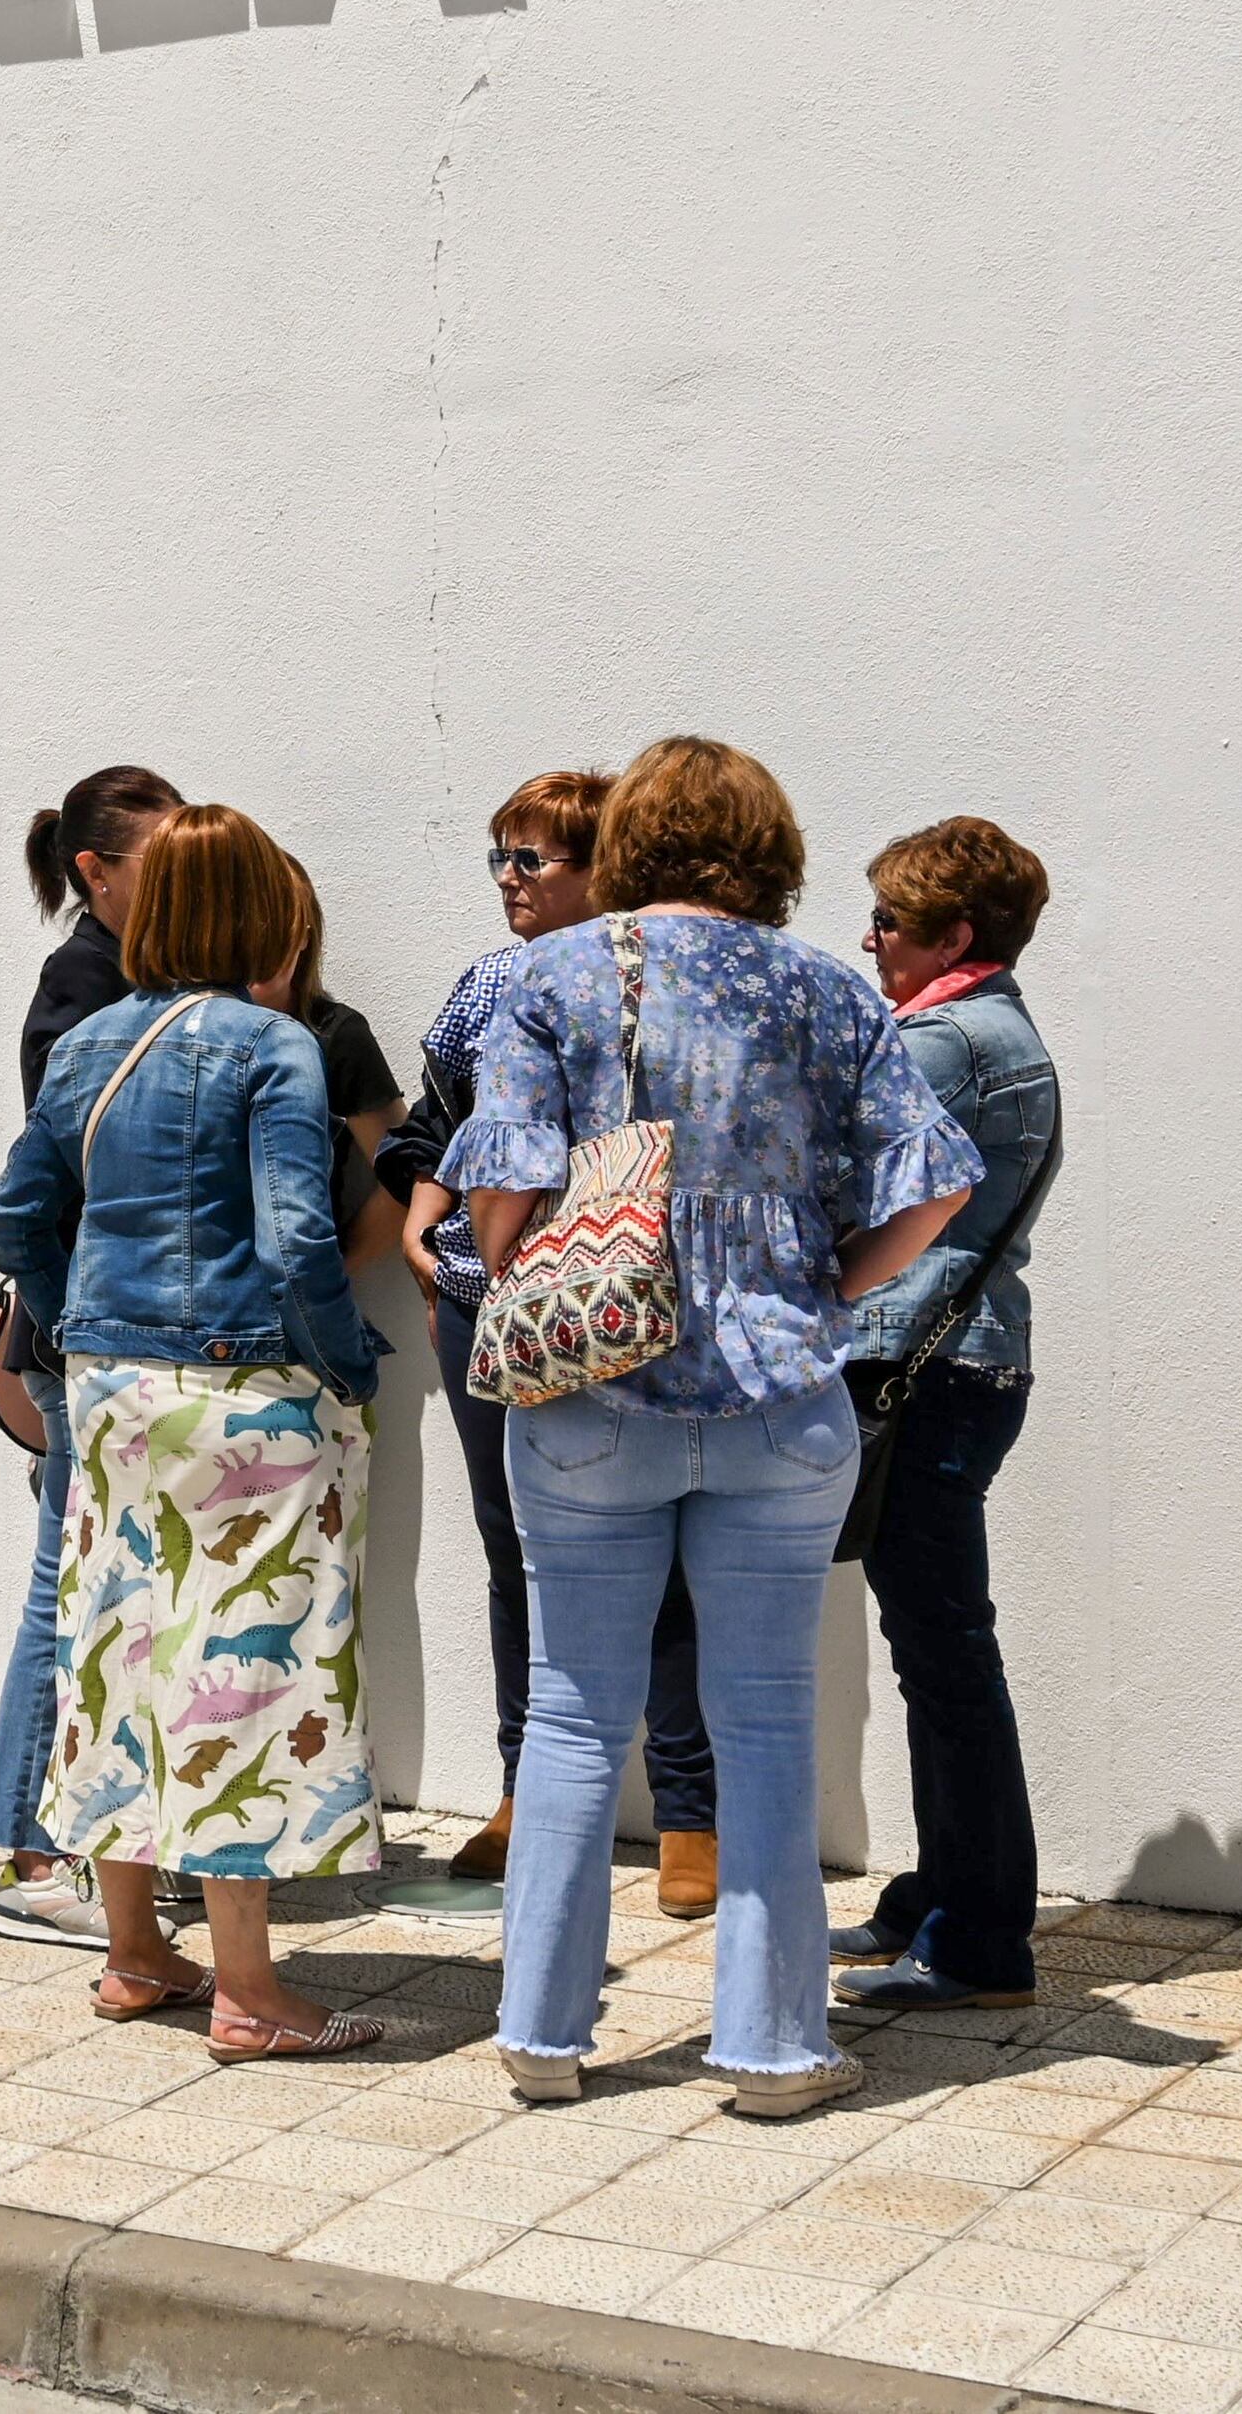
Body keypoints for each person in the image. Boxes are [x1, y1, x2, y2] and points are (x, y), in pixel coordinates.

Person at [449, 736, 979, 2120]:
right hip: (782, 1396)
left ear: (627, 840)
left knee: (571, 1714)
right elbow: (933, 1187)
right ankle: (771, 2047)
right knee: (764, 1718)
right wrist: (827, 1283)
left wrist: (537, 1271)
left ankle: (544, 2036)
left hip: (589, 1394)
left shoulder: (551, 975)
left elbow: (495, 1190)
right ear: (771, 848)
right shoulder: (826, 988)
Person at [0, 803, 393, 2059]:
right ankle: (249, 1992)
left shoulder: (89, 1040)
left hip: (110, 1399)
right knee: (243, 1679)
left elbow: (12, 1220)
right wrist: (343, 1364)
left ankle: (131, 1956)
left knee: (117, 1657)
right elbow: (298, 1234)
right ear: (264, 911)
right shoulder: (274, 1045)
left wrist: (79, 1326)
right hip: (244, 1396)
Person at [378, 770, 723, 1901]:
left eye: (534, 859)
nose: (510, 881)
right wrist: (423, 1217)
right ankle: (525, 1784)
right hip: (490, 1298)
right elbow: (437, 1120)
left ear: (603, 865)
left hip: (633, 1297)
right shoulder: (488, 982)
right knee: (510, 1544)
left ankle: (688, 1809)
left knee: (661, 1543)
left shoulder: (669, 979)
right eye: (499, 856)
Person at [829, 815, 1066, 2014]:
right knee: (933, 1648)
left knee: (945, 1654)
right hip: (962, 1363)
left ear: (953, 934)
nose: (865, 938)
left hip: (922, 1366)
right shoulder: (994, 1029)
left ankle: (978, 1935)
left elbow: (840, 1175)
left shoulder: (944, 1040)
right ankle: (937, 1891)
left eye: (888, 921)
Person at [0, 761, 185, 1948]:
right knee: (67, 1588)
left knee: (89, 1584)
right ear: (93, 872)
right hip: (81, 1341)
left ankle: (70, 1844)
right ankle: (30, 1852)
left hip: (101, 1339)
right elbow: (44, 1189)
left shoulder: (136, 975)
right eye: (164, 862)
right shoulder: (82, 985)